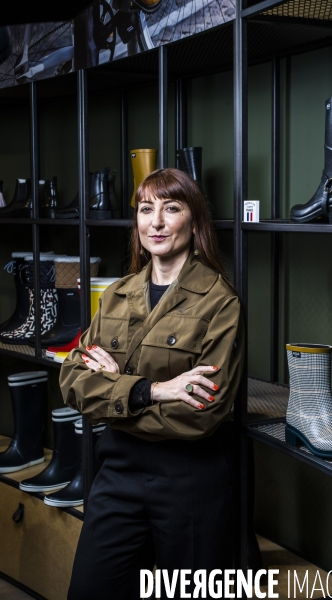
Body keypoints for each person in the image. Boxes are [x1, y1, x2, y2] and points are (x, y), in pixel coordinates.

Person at [60, 168, 245, 599]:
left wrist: (113, 394)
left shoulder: (221, 303)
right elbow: (72, 381)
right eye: (146, 210)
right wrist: (152, 390)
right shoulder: (117, 295)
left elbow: (202, 415)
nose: (156, 222)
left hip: (190, 481)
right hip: (117, 473)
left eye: (171, 208)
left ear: (194, 221)